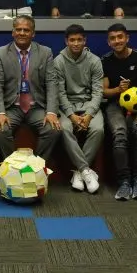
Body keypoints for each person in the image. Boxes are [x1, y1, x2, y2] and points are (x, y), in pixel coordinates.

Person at [0, 15, 61, 160]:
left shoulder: (45, 52)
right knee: (0, 130)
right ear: (13, 32)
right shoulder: (0, 53)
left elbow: (52, 83)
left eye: (26, 30)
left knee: (52, 129)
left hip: (36, 106)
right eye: (18, 29)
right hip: (12, 107)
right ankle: (12, 169)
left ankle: (36, 168)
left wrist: (51, 112)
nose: (22, 33)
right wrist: (0, 113)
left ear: (33, 33)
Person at [101, 23, 137, 201]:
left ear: (127, 38)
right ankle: (124, 182)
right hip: (115, 105)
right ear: (109, 42)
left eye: (120, 37)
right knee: (120, 133)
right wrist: (118, 90)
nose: (117, 41)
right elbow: (104, 91)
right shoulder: (105, 61)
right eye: (113, 38)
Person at [51, 24, 105, 194]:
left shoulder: (94, 61)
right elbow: (59, 93)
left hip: (89, 105)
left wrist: (89, 115)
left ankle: (79, 173)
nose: (75, 43)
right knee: (64, 129)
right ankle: (85, 170)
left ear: (85, 41)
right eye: (72, 40)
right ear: (66, 41)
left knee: (98, 129)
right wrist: (71, 116)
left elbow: (98, 91)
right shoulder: (58, 62)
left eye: (79, 40)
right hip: (67, 107)